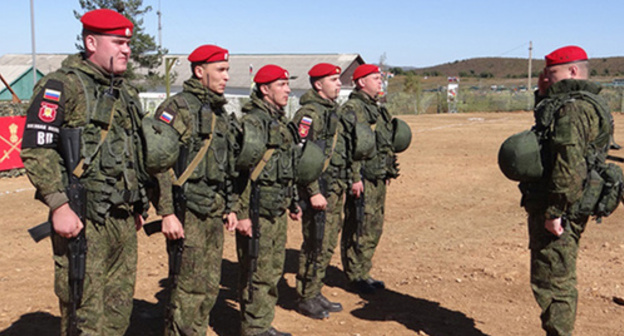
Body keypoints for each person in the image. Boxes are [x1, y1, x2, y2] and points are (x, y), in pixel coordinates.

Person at [20, 9, 149, 335]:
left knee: (118, 313)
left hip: (121, 218)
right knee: (85, 317)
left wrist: (137, 203)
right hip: (83, 220)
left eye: (128, 43)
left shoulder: (125, 93)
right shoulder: (62, 86)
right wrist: (58, 204)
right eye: (118, 42)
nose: (126, 50)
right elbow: (37, 148)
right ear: (91, 42)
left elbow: (132, 152)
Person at [144, 44, 240, 336]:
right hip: (187, 211)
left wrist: (230, 205)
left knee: (210, 283)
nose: (225, 76)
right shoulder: (176, 108)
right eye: (220, 70)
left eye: (227, 70)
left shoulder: (219, 112)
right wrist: (167, 212)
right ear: (200, 72)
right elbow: (159, 164)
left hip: (212, 209)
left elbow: (227, 165)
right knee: (188, 285)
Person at [519, 46, 613, 336]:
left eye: (552, 73)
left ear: (572, 71)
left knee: (553, 282)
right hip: (574, 200)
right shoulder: (589, 102)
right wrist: (543, 88)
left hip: (562, 206)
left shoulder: (572, 108)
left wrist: (555, 212)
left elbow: (568, 164)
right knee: (556, 277)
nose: (546, 78)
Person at [234, 65, 303, 336]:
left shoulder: (281, 123)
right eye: (281, 85)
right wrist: (241, 213)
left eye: (288, 84)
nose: (287, 90)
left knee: (273, 268)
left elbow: (288, 166)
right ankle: (253, 328)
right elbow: (240, 173)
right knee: (256, 272)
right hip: (257, 210)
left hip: (277, 208)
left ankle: (262, 323)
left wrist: (293, 200)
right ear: (265, 89)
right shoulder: (252, 123)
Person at [291, 63, 347, 319]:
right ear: (318, 84)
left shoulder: (330, 111)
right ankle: (306, 296)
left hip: (333, 189)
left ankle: (316, 290)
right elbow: (301, 156)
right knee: (314, 242)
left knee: (326, 244)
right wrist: (313, 191)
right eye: (333, 79)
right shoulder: (309, 114)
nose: (339, 83)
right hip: (318, 190)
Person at [339, 64, 400, 294]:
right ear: (361, 82)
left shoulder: (377, 109)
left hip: (377, 176)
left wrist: (387, 169)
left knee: (374, 226)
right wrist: (354, 177)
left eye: (380, 78)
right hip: (362, 177)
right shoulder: (353, 109)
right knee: (360, 224)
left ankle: (363, 271)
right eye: (375, 78)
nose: (380, 82)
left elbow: (383, 142)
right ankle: (355, 275)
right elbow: (351, 147)